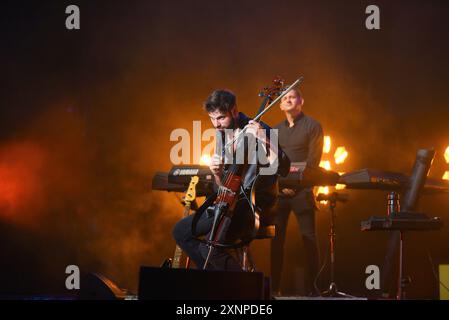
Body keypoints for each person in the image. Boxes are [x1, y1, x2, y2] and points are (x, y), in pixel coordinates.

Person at [173, 89, 290, 271]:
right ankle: (220, 281)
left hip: (254, 205)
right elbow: (222, 187)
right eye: (212, 118)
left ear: (234, 111)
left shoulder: (259, 128)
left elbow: (284, 168)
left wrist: (264, 140)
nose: (216, 124)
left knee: (211, 249)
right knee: (181, 231)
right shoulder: (222, 134)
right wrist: (218, 173)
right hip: (230, 204)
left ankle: (245, 288)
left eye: (220, 118)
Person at [271, 88, 323, 296]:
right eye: (284, 98)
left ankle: (314, 288)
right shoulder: (274, 130)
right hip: (280, 192)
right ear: (281, 105)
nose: (288, 99)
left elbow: (313, 162)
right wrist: (280, 187)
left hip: (302, 191)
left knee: (309, 238)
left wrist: (297, 186)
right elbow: (270, 163)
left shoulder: (313, 125)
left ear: (301, 100)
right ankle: (274, 289)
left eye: (292, 96)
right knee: (276, 240)